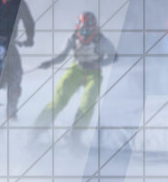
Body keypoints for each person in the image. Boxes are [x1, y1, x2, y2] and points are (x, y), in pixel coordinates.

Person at [34, 11, 118, 143]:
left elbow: (114, 56)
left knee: (89, 101)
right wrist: (49, 63)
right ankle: (36, 130)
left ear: (94, 28)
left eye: (89, 30)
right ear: (78, 28)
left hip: (94, 72)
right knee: (59, 98)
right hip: (76, 69)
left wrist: (100, 64)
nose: (86, 33)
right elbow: (62, 55)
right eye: (83, 29)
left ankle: (76, 135)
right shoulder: (73, 38)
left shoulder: (102, 40)